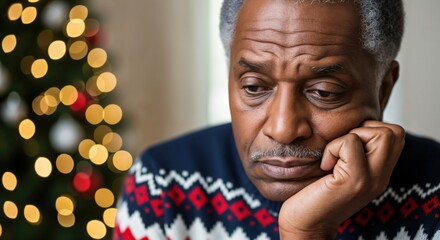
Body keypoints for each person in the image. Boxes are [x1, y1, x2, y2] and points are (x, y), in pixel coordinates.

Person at [113, 0, 440, 239]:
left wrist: (307, 231)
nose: (283, 129)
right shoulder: (164, 185)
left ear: (383, 88)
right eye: (254, 87)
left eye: (323, 91)